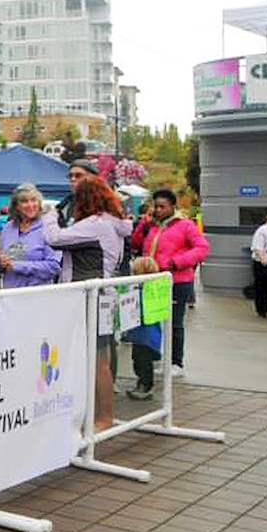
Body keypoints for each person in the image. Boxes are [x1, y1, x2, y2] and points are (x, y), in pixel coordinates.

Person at [41, 179, 132, 430]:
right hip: (101, 295)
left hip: (91, 297)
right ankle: (98, 413)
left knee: (97, 360)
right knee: (97, 358)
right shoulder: (113, 224)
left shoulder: (96, 225)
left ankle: (104, 417)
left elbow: (54, 238)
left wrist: (50, 215)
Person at [130, 189, 209, 377]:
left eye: (162, 207)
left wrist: (177, 262)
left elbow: (202, 248)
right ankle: (158, 357)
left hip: (178, 280)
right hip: (152, 281)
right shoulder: (152, 226)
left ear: (173, 206)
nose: (158, 210)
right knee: (152, 320)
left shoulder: (186, 225)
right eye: (155, 206)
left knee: (174, 323)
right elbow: (135, 244)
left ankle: (176, 361)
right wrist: (143, 226)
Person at [0, 184, 61, 289]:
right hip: (9, 294)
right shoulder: (8, 228)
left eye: (33, 200)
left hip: (36, 295)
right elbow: (1, 263)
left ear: (39, 203)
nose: (30, 205)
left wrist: (18, 266)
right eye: (24, 201)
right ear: (16, 206)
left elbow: (54, 267)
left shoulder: (48, 228)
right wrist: (0, 263)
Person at [124, 256, 164, 401]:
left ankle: (145, 386)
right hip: (145, 335)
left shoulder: (142, 291)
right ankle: (142, 384)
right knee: (139, 361)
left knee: (143, 362)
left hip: (144, 335)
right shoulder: (154, 289)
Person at [55, 159, 100, 227]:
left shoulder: (105, 203)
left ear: (92, 178)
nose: (73, 179)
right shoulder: (65, 205)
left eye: (78, 175)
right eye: (70, 176)